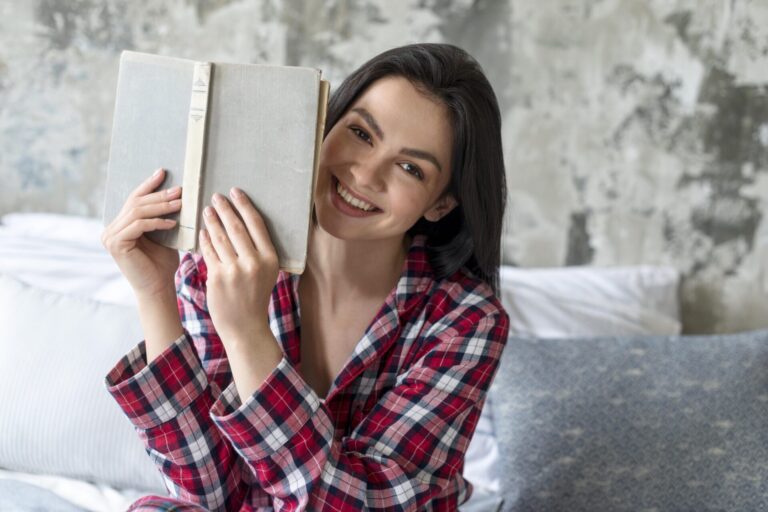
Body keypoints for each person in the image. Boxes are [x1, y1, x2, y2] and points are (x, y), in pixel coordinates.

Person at [102, 43, 509, 511]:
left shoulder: (465, 321)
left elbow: (352, 506)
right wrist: (155, 293)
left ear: (440, 203)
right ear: (322, 124)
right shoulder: (221, 266)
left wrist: (248, 333)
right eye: (360, 133)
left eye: (410, 168)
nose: (364, 173)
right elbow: (209, 494)